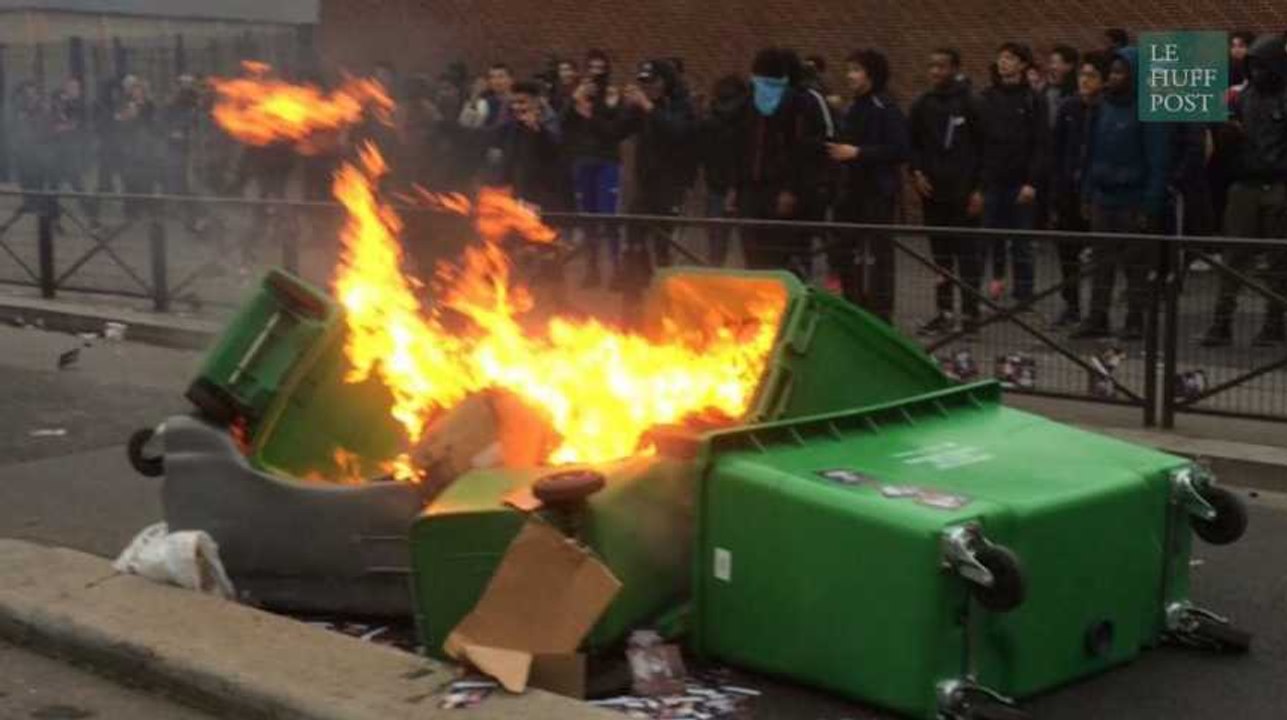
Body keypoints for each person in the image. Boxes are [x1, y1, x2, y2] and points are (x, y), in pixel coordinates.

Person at [1072, 47, 1172, 341]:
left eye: (1120, 72)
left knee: (1136, 266)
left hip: (1134, 198)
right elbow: (1091, 153)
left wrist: (1150, 203)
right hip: (1104, 196)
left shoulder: (1149, 111)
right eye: (1112, 72)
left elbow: (1158, 161)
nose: (1113, 78)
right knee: (1100, 263)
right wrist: (1087, 193)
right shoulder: (1101, 107)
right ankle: (1097, 317)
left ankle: (1135, 319)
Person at [1200, 34, 1287, 348]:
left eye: (1262, 65)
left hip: (1277, 184)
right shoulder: (1241, 97)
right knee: (1233, 258)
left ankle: (1274, 324)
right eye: (1252, 66)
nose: (1257, 72)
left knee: (1278, 263)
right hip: (1243, 185)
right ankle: (1221, 323)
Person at [826, 49, 909, 322]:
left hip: (877, 191)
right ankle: (852, 306)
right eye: (849, 69)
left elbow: (899, 149)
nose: (850, 76)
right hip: (850, 191)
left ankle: (881, 313)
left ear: (871, 75)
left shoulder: (885, 106)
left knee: (878, 255)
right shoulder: (853, 107)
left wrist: (858, 153)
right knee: (846, 252)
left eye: (856, 70)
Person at [730, 47, 828, 279]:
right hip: (750, 189)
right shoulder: (748, 103)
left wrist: (790, 189)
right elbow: (740, 146)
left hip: (778, 189)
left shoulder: (798, 103)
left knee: (779, 258)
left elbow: (801, 150)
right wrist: (736, 186)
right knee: (752, 255)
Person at [909, 47, 985, 334]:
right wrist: (916, 171)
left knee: (967, 255)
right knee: (940, 257)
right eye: (931, 66)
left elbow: (987, 148)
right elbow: (912, 144)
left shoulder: (972, 103)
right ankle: (944, 310)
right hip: (934, 194)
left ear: (954, 68)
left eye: (941, 66)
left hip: (965, 192)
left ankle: (971, 313)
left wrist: (980, 189)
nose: (935, 72)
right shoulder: (922, 104)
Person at [616, 59, 697, 295]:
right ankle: (636, 288)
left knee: (665, 241)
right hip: (645, 183)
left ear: (664, 82)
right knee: (634, 233)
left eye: (652, 82)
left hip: (672, 184)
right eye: (643, 83)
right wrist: (590, 109)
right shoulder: (642, 107)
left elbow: (678, 132)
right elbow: (614, 131)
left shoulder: (681, 104)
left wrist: (648, 107)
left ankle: (670, 289)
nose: (648, 87)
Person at [978, 42, 1049, 306]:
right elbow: (980, 141)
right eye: (1001, 57)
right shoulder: (986, 98)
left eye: (1009, 58)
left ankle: (1024, 294)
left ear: (1022, 64)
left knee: (1021, 242)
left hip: (1020, 181)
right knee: (988, 237)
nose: (1003, 62)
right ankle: (990, 283)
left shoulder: (1033, 100)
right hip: (992, 180)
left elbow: (1042, 144)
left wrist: (1032, 182)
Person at [1049, 50, 1109, 328]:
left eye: (1092, 76)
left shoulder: (1109, 108)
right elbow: (1057, 150)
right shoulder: (1068, 108)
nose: (1085, 81)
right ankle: (1071, 304)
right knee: (1067, 252)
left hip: (1098, 191)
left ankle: (1099, 310)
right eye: (1082, 75)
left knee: (1102, 253)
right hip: (1069, 190)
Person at [563, 49, 626, 288]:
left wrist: (607, 106)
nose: (597, 74)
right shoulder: (578, 94)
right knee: (587, 218)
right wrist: (574, 99)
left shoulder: (612, 95)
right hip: (583, 160)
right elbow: (563, 122)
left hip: (607, 161)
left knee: (608, 216)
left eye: (602, 69)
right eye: (593, 69)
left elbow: (615, 129)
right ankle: (592, 270)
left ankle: (617, 269)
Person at [699, 74, 749, 266]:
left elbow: (703, 152)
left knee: (716, 247)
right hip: (744, 186)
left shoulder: (710, 119)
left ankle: (714, 281)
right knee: (752, 247)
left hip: (716, 185)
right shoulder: (747, 120)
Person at [48, 77, 88, 195]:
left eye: (75, 88)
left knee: (76, 181)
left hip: (73, 150)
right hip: (58, 149)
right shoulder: (59, 104)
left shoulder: (81, 106)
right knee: (54, 182)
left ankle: (89, 210)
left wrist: (66, 127)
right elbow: (53, 124)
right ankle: (50, 209)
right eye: (70, 88)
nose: (73, 90)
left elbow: (78, 125)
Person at [1045, 46, 1079, 129]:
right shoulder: (1046, 90)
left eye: (1057, 63)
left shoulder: (1077, 94)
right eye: (1051, 62)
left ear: (1070, 65)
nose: (1052, 67)